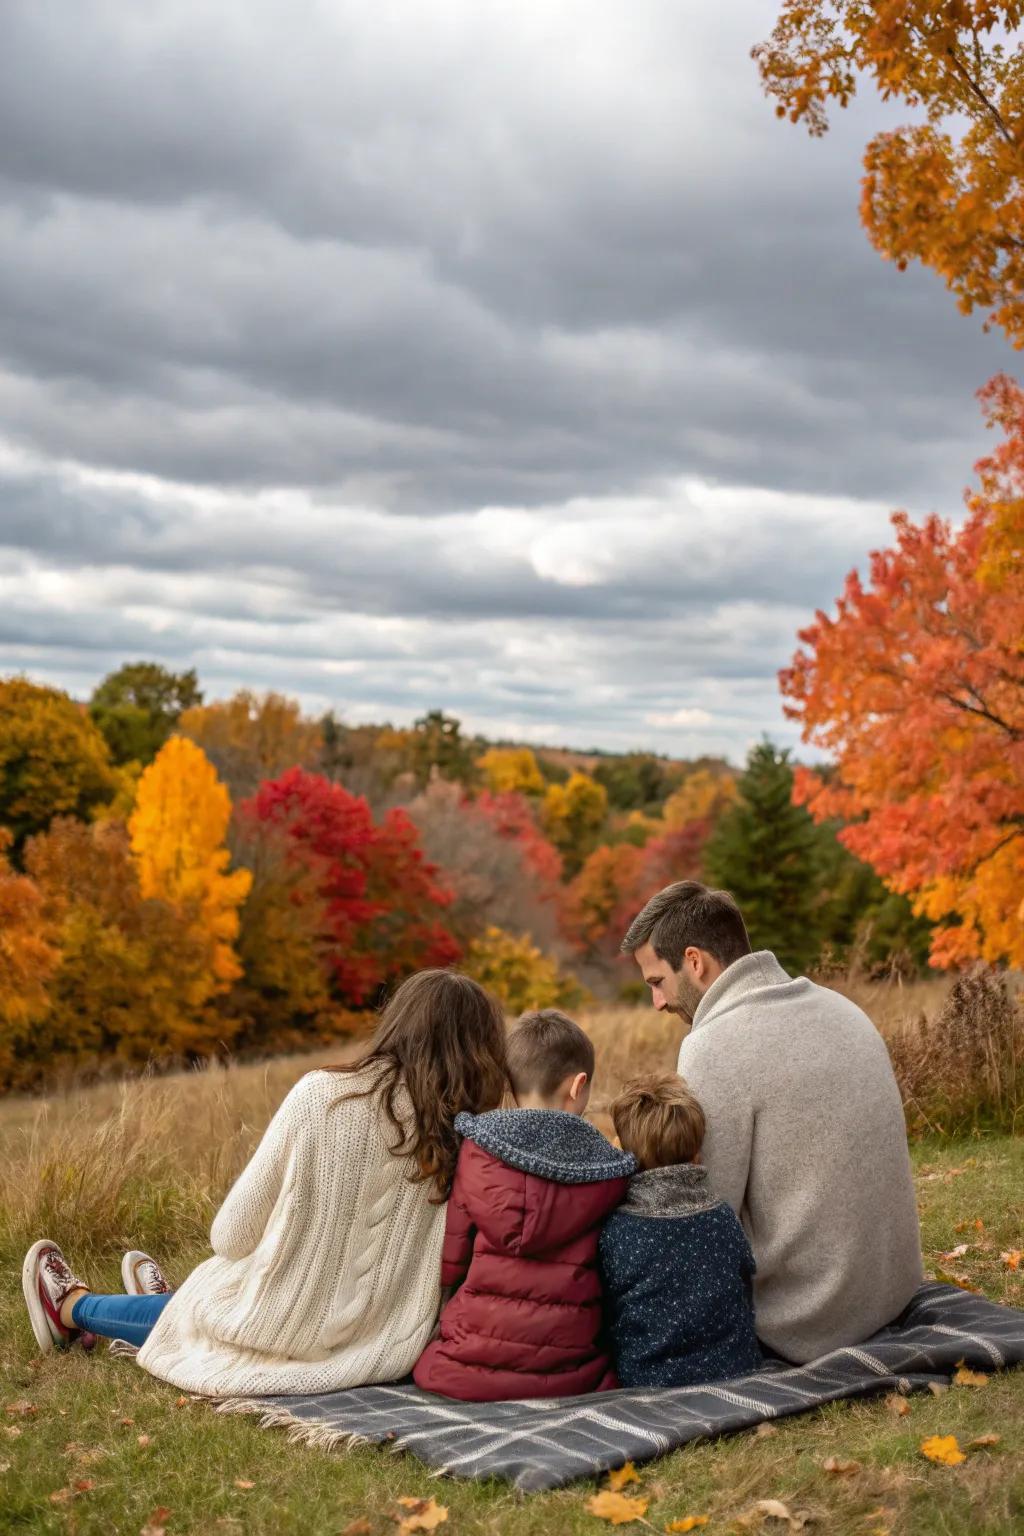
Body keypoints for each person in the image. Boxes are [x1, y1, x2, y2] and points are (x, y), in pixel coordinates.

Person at [22, 970, 509, 1397]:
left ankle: (71, 1308)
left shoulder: (323, 1095)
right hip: (387, 1342)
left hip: (284, 1323)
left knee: (218, 1296)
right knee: (227, 1296)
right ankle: (157, 1304)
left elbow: (231, 1236)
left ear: (397, 1023)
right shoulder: (480, 1139)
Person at [621, 881, 923, 1364]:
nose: (657, 1002)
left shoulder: (713, 1044)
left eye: (657, 982)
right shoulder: (844, 1009)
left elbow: (705, 1210)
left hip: (809, 1320)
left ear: (694, 962)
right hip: (893, 1291)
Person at [413, 1008, 635, 1401]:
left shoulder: (477, 1150)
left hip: (469, 1362)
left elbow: (453, 1258)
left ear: (510, 1084)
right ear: (578, 1085)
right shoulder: (608, 1170)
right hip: (569, 1368)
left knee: (431, 1366)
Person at [599, 1072, 761, 1387]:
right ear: (697, 1154)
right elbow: (745, 1283)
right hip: (736, 1370)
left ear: (626, 1157)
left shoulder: (617, 1231)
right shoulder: (723, 1217)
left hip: (649, 1380)